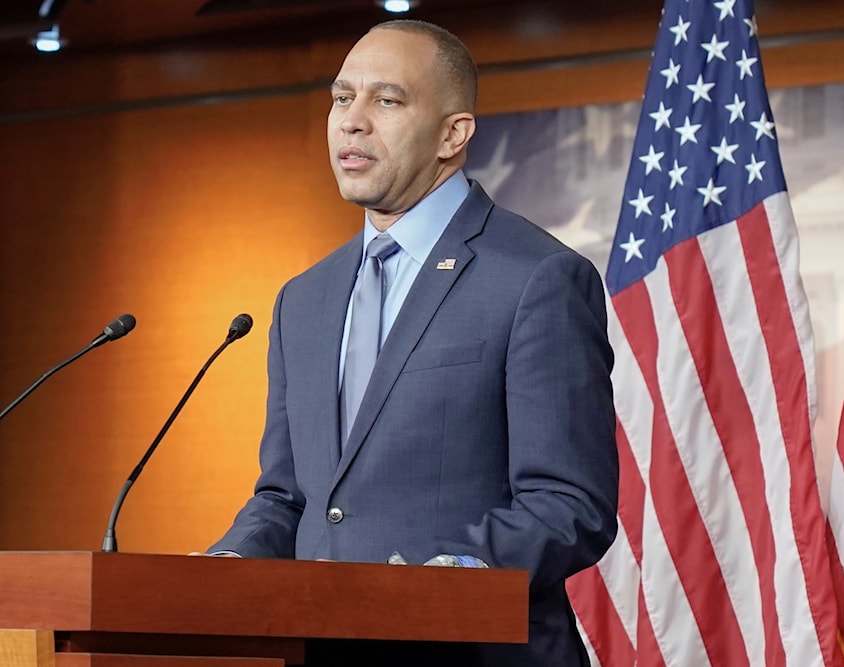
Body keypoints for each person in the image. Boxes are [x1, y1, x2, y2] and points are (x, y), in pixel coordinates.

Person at [206, 18, 618, 666]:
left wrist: (449, 572)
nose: (352, 121)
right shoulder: (302, 300)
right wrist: (226, 564)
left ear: (454, 133)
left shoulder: (537, 278)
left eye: (386, 100)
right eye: (342, 98)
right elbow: (288, 497)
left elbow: (570, 503)